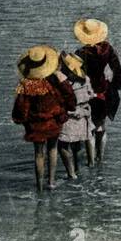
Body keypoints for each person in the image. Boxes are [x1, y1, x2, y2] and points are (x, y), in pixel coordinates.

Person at [11, 45, 76, 193]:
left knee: (38, 154)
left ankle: (39, 186)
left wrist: (21, 119)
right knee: (52, 149)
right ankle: (51, 182)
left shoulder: (26, 84)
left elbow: (21, 107)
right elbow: (69, 96)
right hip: (53, 120)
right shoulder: (53, 79)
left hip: (35, 123)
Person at [73, 18, 121, 163]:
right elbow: (117, 69)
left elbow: (76, 74)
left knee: (90, 127)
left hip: (88, 92)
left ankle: (91, 162)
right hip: (104, 89)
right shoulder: (108, 49)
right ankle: (100, 158)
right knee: (101, 125)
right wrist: (116, 85)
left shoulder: (81, 52)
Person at [56, 51, 96, 179]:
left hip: (69, 116)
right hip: (83, 115)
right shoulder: (85, 79)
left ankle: (71, 173)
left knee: (62, 145)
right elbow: (90, 95)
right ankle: (78, 169)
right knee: (77, 144)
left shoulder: (63, 82)